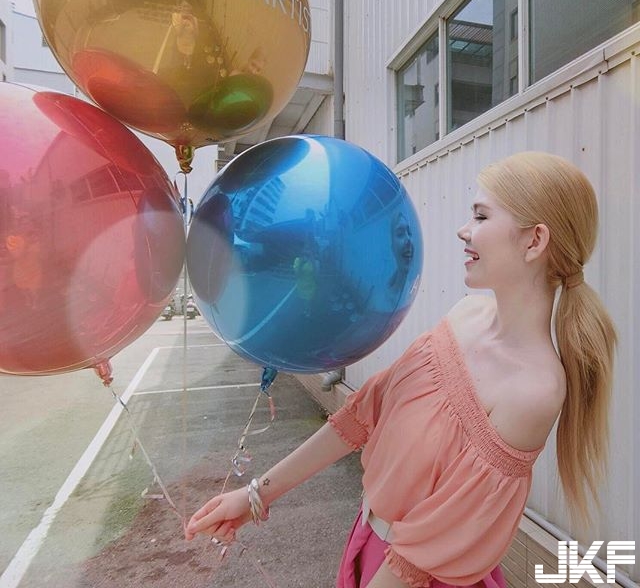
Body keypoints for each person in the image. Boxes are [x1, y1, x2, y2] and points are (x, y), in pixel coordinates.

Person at [185, 152, 616, 588]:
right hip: (369, 544)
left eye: (481, 216)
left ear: (535, 241)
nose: (463, 230)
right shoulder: (466, 315)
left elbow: (423, 553)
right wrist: (255, 495)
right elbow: (362, 414)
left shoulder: (534, 390)